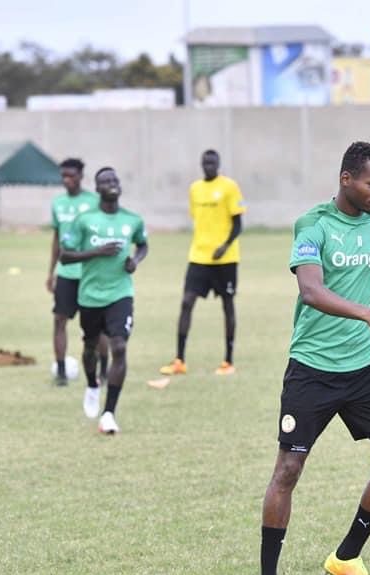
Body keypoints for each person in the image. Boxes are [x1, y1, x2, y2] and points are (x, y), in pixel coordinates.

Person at [247, 141, 370, 575]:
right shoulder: (314, 225)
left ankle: (347, 558)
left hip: (361, 367)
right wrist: (369, 316)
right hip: (312, 369)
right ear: (346, 180)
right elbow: (312, 291)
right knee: (288, 470)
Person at [59, 167, 148, 435]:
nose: (111, 184)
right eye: (104, 181)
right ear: (97, 189)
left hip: (120, 293)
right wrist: (97, 251)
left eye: (114, 180)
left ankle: (109, 413)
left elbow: (142, 244)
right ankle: (92, 385)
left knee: (119, 347)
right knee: (89, 348)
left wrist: (135, 260)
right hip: (89, 295)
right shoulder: (85, 220)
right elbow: (65, 255)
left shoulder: (132, 220)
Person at [159, 149, 245, 377]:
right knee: (186, 302)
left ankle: (228, 360)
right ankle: (179, 360)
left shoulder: (229, 187)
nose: (209, 165)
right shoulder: (195, 189)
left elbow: (238, 225)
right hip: (198, 256)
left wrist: (224, 246)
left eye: (212, 162)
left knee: (227, 305)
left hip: (225, 258)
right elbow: (198, 220)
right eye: (205, 162)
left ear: (218, 163)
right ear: (201, 164)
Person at [45, 158, 108, 386]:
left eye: (71, 176)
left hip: (89, 274)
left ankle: (104, 369)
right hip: (66, 273)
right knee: (59, 320)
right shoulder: (58, 203)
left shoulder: (93, 202)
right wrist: (51, 272)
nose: (66, 180)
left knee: (97, 326)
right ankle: (61, 372)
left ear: (81, 176)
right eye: (63, 176)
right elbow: (56, 240)